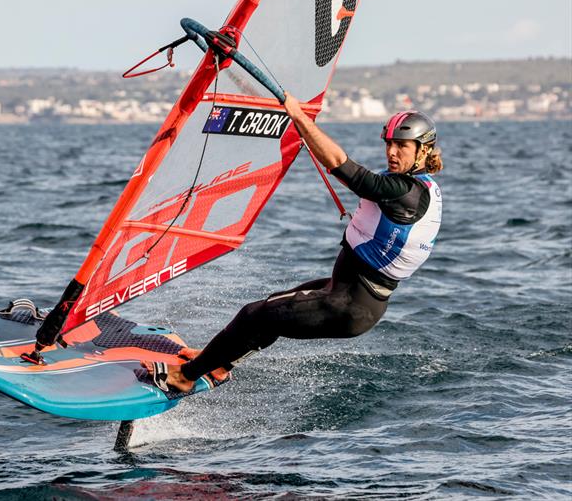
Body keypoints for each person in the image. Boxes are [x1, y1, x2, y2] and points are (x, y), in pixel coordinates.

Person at [142, 94, 444, 392]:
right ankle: (217, 364)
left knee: (255, 315)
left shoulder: (407, 193)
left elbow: (341, 164)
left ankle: (185, 376)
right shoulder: (417, 188)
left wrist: (298, 116)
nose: (392, 152)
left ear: (422, 151)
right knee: (272, 306)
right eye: (388, 144)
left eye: (401, 145)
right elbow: (347, 174)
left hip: (351, 303)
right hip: (350, 292)